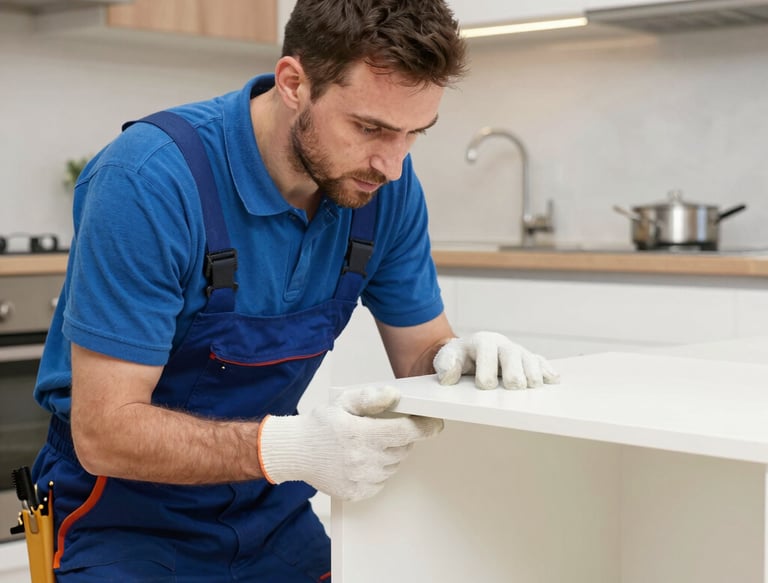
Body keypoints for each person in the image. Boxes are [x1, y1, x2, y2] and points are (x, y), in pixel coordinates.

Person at [31, 0, 559, 580]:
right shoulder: (149, 181)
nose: (392, 165)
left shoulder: (382, 191)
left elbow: (420, 356)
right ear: (293, 83)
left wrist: (456, 360)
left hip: (270, 509)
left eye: (415, 133)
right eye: (370, 128)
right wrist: (290, 449)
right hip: (120, 519)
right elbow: (105, 433)